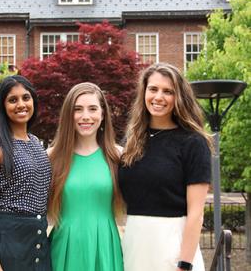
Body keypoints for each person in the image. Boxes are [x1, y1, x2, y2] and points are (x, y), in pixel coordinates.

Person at [118, 63, 212, 271]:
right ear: (144, 92)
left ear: (178, 97)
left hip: (174, 247)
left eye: (168, 91)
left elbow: (196, 213)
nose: (158, 97)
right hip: (135, 243)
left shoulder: (193, 142)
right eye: (153, 89)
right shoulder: (132, 141)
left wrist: (185, 264)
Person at [0, 75, 52, 271]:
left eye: (26, 98)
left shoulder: (36, 142)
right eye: (12, 100)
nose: (21, 104)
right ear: (3, 106)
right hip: (9, 242)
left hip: (38, 240)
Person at [48, 82, 124, 271]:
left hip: (106, 245)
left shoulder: (118, 156)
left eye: (92, 109)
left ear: (103, 114)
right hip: (65, 246)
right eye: (78, 109)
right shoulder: (51, 157)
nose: (86, 116)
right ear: (68, 115)